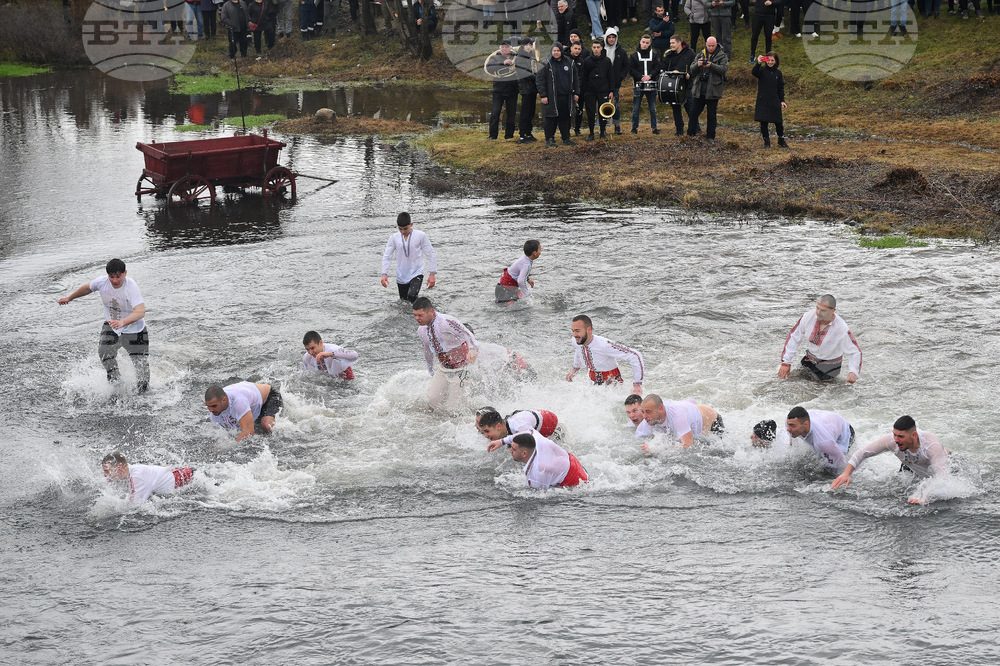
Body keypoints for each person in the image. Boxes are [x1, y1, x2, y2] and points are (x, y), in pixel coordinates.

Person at [57, 258, 149, 393]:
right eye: (112, 277)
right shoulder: (102, 282)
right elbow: (87, 288)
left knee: (140, 364)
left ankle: (144, 394)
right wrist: (69, 298)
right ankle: (116, 384)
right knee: (104, 353)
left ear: (125, 273)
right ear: (108, 275)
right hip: (112, 326)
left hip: (135, 330)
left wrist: (123, 322)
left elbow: (140, 312)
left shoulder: (131, 286)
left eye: (118, 276)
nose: (115, 280)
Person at [830, 415, 951, 502]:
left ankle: (946, 452)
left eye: (901, 436)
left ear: (913, 435)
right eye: (894, 435)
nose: (896, 440)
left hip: (941, 464)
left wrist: (925, 494)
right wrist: (846, 473)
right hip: (911, 465)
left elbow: (943, 479)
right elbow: (863, 452)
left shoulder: (931, 446)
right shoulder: (893, 441)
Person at [413, 297, 479, 411]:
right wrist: (430, 369)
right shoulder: (421, 330)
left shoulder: (447, 322)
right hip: (443, 369)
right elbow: (426, 350)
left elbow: (467, 334)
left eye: (420, 315)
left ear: (431, 312)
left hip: (462, 369)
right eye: (415, 315)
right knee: (432, 402)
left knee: (454, 409)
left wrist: (473, 349)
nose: (417, 318)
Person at [779, 294, 862, 383]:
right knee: (787, 382)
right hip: (809, 361)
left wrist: (853, 371)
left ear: (833, 310)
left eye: (823, 310)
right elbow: (794, 337)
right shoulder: (808, 317)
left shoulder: (841, 328)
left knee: (815, 392)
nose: (818, 312)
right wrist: (786, 362)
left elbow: (855, 351)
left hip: (830, 368)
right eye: (817, 308)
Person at [565, 314, 644, 394]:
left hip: (613, 384)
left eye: (577, 331)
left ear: (588, 330)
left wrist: (637, 384)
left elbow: (635, 355)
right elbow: (578, 350)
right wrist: (575, 369)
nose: (574, 334)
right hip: (593, 382)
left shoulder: (604, 345)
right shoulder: (576, 340)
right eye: (573, 331)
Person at [493, 430, 588, 489]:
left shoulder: (537, 473)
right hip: (572, 460)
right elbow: (527, 432)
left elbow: (541, 496)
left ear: (524, 453)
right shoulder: (536, 438)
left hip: (576, 480)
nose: (510, 451)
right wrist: (502, 441)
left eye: (513, 449)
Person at [381, 212, 437, 303]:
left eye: (405, 228)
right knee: (404, 302)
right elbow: (387, 256)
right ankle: (417, 313)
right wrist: (384, 274)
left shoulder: (420, 236)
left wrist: (432, 275)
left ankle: (424, 310)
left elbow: (430, 254)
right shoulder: (394, 238)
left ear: (411, 225)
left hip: (416, 272)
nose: (403, 232)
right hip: (401, 275)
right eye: (400, 229)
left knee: (412, 296)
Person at [101, 452, 195, 504]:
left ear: (119, 469)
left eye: (107, 471)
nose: (105, 475)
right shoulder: (126, 471)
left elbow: (134, 506)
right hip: (183, 475)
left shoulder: (137, 477)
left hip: (192, 480)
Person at [536, 42, 581, 148]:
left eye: (558, 50)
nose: (556, 53)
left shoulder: (570, 62)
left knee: (565, 118)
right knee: (551, 118)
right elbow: (539, 80)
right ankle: (550, 139)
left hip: (566, 97)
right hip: (551, 97)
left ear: (561, 51)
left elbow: (576, 80)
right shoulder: (546, 63)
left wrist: (576, 93)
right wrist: (543, 95)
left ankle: (565, 138)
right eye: (554, 51)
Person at [637, 394, 724, 448]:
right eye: (642, 412)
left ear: (660, 409)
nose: (644, 416)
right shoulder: (648, 420)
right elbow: (636, 441)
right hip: (687, 411)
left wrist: (658, 448)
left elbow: (688, 445)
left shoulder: (677, 416)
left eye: (648, 412)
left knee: (718, 451)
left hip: (712, 422)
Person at [205, 381, 281, 441]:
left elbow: (249, 432)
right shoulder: (214, 411)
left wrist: (229, 446)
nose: (211, 410)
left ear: (224, 400)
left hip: (269, 397)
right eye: (208, 406)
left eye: (214, 406)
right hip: (251, 402)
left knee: (266, 425)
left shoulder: (238, 402)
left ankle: (282, 424)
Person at [786, 405, 854, 470]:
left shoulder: (824, 442)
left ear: (806, 424)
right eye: (788, 425)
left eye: (792, 425)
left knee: (830, 470)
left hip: (845, 432)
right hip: (826, 420)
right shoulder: (790, 422)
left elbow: (842, 465)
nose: (788, 429)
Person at [687, 36, 728, 143]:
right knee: (693, 113)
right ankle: (690, 134)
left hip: (713, 90)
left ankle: (710, 137)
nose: (710, 48)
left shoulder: (722, 55)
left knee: (711, 115)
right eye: (709, 45)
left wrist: (711, 65)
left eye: (712, 46)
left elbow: (723, 69)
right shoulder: (701, 54)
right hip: (699, 89)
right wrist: (698, 64)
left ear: (716, 44)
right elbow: (691, 69)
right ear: (706, 44)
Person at [661, 35, 696, 136]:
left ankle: (696, 129)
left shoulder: (690, 53)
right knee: (676, 110)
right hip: (673, 86)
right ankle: (679, 131)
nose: (671, 45)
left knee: (690, 109)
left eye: (673, 43)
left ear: (679, 43)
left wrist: (690, 74)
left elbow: (696, 67)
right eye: (670, 43)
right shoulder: (669, 55)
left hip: (687, 86)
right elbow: (663, 68)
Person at [477, 406, 563, 446]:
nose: (485, 436)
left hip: (550, 424)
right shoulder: (503, 426)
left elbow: (530, 434)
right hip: (532, 419)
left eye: (487, 431)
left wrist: (501, 442)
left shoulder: (517, 425)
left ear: (499, 426)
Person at [582, 38, 615, 140]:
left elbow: (611, 76)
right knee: (590, 112)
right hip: (590, 91)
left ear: (601, 48)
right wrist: (584, 91)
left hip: (603, 90)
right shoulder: (587, 61)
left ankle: (602, 132)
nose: (596, 49)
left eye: (598, 47)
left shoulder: (607, 61)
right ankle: (591, 133)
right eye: (594, 47)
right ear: (592, 48)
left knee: (603, 113)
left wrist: (611, 90)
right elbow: (584, 77)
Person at [486, 40, 520, 141]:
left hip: (513, 90)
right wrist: (503, 63)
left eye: (506, 47)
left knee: (511, 114)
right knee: (495, 113)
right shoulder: (494, 57)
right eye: (502, 47)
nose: (504, 49)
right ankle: (492, 136)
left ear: (510, 48)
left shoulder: (516, 57)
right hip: (498, 90)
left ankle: (509, 135)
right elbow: (489, 68)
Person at [752, 51, 787, 148]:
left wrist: (782, 101)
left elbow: (780, 88)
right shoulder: (761, 70)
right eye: (769, 60)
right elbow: (754, 72)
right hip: (763, 100)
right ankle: (766, 142)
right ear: (765, 60)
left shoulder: (778, 73)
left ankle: (781, 140)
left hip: (774, 100)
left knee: (778, 122)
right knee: (764, 122)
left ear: (776, 61)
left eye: (773, 60)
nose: (770, 62)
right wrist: (758, 63)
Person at [629, 34, 660, 134]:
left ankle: (654, 128)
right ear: (640, 42)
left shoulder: (654, 55)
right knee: (636, 108)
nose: (645, 44)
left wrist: (650, 76)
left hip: (651, 84)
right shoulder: (634, 56)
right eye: (643, 42)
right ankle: (634, 128)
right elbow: (631, 69)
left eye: (647, 43)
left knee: (653, 108)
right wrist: (641, 77)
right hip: (638, 84)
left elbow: (657, 67)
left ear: (650, 43)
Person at [603, 27, 629, 135]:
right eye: (609, 37)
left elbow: (626, 66)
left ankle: (617, 126)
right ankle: (603, 127)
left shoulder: (621, 51)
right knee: (602, 104)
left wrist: (620, 77)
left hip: (615, 82)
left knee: (615, 104)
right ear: (606, 38)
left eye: (613, 37)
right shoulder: (601, 49)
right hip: (602, 82)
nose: (611, 39)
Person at [515, 36, 539, 144]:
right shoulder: (520, 58)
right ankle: (522, 135)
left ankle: (529, 133)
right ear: (523, 46)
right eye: (527, 45)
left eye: (530, 45)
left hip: (532, 89)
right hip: (525, 88)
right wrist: (536, 78)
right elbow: (525, 74)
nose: (528, 47)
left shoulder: (530, 57)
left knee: (531, 112)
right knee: (525, 112)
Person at [566, 41, 588, 137]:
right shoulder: (565, 59)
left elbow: (583, 76)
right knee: (567, 111)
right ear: (571, 48)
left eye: (579, 49)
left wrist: (578, 90)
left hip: (579, 89)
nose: (577, 51)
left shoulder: (581, 61)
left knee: (579, 110)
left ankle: (577, 129)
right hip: (567, 89)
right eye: (575, 48)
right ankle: (566, 130)